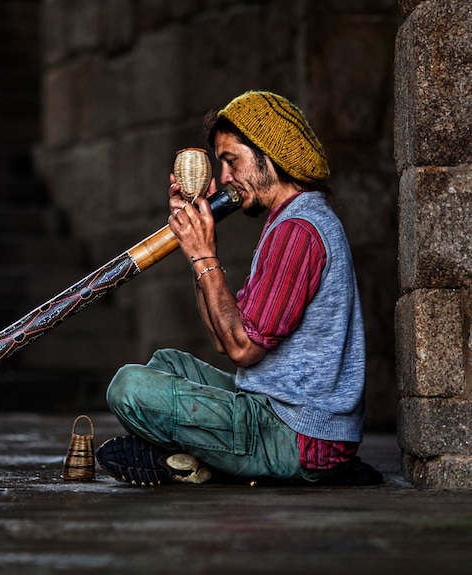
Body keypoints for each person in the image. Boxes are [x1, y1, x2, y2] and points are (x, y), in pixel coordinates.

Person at [95, 90, 382, 486]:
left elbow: (242, 348)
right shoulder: (287, 221)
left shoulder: (299, 230)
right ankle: (195, 459)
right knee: (167, 364)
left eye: (232, 161)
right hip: (270, 409)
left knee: (129, 387)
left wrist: (204, 255)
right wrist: (196, 246)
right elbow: (222, 336)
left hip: (298, 436)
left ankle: (192, 459)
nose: (226, 177)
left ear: (270, 155)